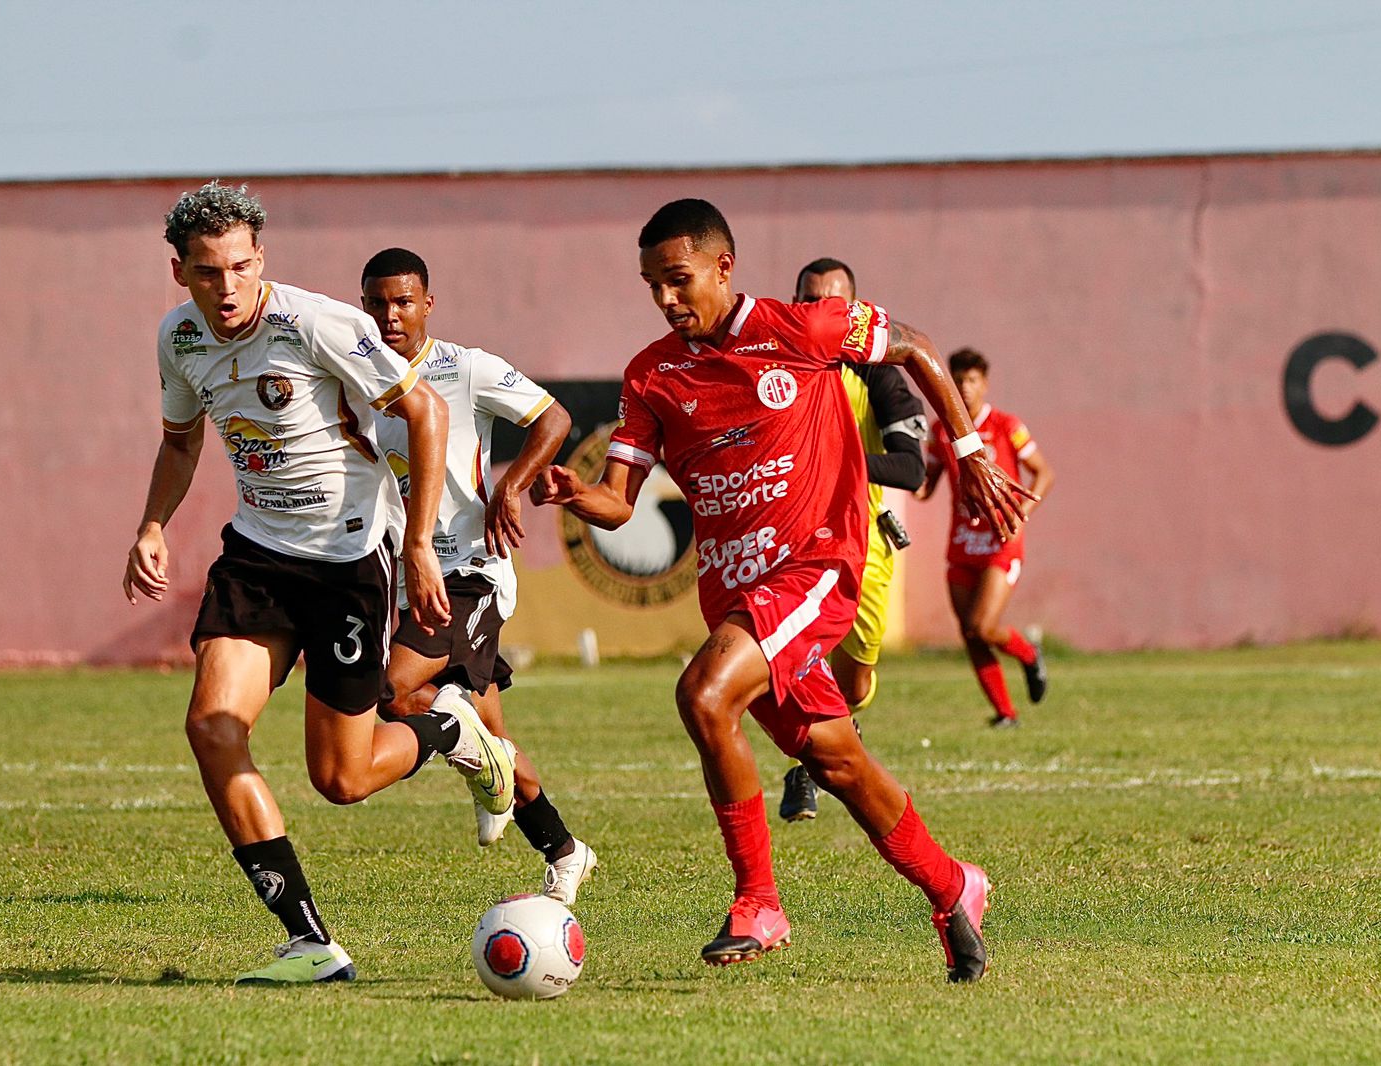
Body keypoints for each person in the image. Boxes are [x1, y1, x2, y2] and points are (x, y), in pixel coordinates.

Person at [531, 199, 1034, 981]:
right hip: (734, 592)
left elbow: (917, 348)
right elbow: (619, 500)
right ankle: (953, 885)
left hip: (814, 568)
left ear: (723, 267)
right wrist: (574, 491)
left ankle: (759, 900)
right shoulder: (652, 374)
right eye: (652, 286)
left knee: (704, 694)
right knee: (839, 763)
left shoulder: (801, 329)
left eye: (677, 279)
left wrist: (967, 449)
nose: (665, 299)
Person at [122, 182, 516, 985]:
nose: (225, 288)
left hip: (346, 568)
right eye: (206, 273)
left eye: (238, 268)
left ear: (260, 260)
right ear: (179, 274)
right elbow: (179, 443)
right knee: (211, 728)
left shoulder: (313, 323)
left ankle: (449, 728)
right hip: (258, 558)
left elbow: (426, 412)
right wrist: (153, 524)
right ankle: (309, 942)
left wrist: (416, 541)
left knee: (340, 779)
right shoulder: (180, 340)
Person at [359, 247, 598, 905]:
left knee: (392, 693)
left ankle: (469, 753)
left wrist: (513, 483)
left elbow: (553, 418)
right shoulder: (355, 381)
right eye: (377, 302)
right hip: (405, 579)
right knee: (492, 740)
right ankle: (565, 849)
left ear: (427, 304)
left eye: (403, 301)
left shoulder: (463, 369)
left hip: (470, 570)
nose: (390, 315)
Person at [778, 258, 928, 823]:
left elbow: (912, 470)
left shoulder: (879, 375)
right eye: (809, 301)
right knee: (784, 666)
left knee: (855, 680)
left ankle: (835, 734)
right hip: (789, 545)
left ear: (857, 312)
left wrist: (835, 463)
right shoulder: (773, 373)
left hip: (863, 547)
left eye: (834, 303)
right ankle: (804, 765)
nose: (821, 313)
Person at [917, 347, 1055, 728]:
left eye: (971, 380)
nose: (964, 387)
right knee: (970, 634)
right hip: (961, 543)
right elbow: (926, 483)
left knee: (983, 625)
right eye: (958, 379)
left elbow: (1043, 473)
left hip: (1000, 541)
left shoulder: (1006, 425)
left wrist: (1022, 513)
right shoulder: (940, 429)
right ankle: (1005, 713)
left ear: (985, 383)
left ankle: (1028, 654)